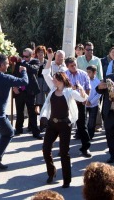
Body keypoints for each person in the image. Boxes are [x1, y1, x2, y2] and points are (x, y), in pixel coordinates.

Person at [40, 52, 87, 188]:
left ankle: (67, 180)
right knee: (45, 148)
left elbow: (83, 98)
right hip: (52, 124)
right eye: (53, 79)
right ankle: (51, 172)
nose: (53, 81)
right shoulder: (52, 89)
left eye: (55, 79)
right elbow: (45, 73)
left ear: (61, 80)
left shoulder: (69, 92)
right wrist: (49, 59)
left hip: (65, 124)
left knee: (64, 153)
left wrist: (81, 89)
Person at [13, 48, 43, 139]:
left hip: (30, 91)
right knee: (19, 111)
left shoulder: (35, 62)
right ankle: (18, 129)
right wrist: (14, 87)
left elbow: (34, 70)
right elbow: (14, 75)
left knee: (32, 113)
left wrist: (24, 64)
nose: (24, 58)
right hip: (20, 90)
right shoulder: (19, 63)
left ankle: (35, 132)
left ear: (31, 55)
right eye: (23, 56)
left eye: (26, 56)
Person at [65, 56, 92, 157]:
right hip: (69, 104)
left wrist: (86, 99)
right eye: (72, 65)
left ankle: (85, 148)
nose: (74, 67)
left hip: (81, 104)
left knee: (82, 127)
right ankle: (64, 149)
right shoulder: (64, 75)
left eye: (75, 64)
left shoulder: (83, 74)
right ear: (67, 66)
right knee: (67, 127)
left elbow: (88, 88)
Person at [77, 42, 103, 132]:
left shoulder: (97, 60)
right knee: (81, 108)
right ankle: (80, 129)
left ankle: (98, 125)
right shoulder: (79, 59)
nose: (90, 51)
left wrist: (100, 87)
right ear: (84, 50)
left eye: (91, 49)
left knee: (96, 106)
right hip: (82, 87)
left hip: (94, 86)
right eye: (88, 49)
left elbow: (100, 74)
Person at [96, 73, 114, 163]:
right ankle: (112, 155)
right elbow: (98, 90)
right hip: (109, 112)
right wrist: (100, 86)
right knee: (109, 135)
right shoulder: (109, 77)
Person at [34, 45, 49, 131]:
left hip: (45, 84)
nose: (41, 54)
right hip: (36, 83)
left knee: (44, 105)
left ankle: (43, 125)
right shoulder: (34, 62)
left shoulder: (47, 62)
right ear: (36, 54)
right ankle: (33, 126)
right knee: (35, 104)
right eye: (39, 52)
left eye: (42, 52)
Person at [86, 65, 101, 139]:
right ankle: (83, 134)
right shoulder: (85, 80)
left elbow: (99, 94)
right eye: (87, 72)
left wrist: (91, 101)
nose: (88, 74)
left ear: (94, 72)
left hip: (93, 104)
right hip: (85, 103)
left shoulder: (98, 82)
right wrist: (85, 100)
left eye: (89, 72)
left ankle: (90, 135)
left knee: (92, 121)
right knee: (83, 120)